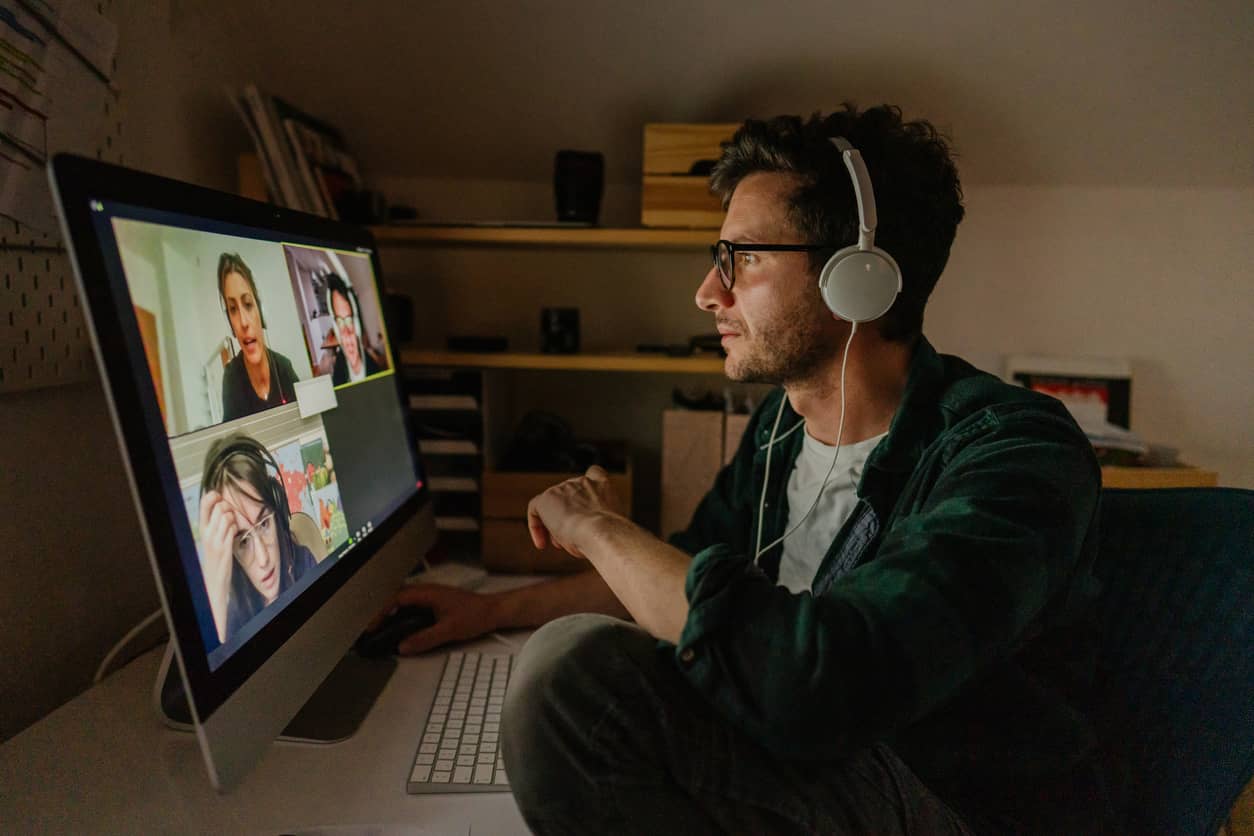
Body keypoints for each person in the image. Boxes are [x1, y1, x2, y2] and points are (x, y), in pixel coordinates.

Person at [380, 104, 1117, 833]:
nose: (708, 292)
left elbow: (823, 683)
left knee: (574, 682)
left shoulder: (1014, 454)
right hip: (801, 763)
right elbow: (693, 574)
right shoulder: (779, 430)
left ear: (856, 278)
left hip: (943, 800)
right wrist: (491, 611)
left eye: (744, 258)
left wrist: (603, 529)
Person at [198, 434, 317, 644]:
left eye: (264, 524)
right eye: (243, 541)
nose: (263, 560)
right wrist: (214, 601)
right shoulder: (230, 619)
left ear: (278, 510)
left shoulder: (303, 563)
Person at [218, 253, 301, 421]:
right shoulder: (231, 378)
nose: (243, 322)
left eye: (248, 304)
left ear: (261, 312)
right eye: (233, 309)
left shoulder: (284, 368)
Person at [325, 272, 383, 385]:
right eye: (340, 322)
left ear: (357, 325)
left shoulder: (376, 374)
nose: (347, 333)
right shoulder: (338, 368)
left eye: (349, 320)